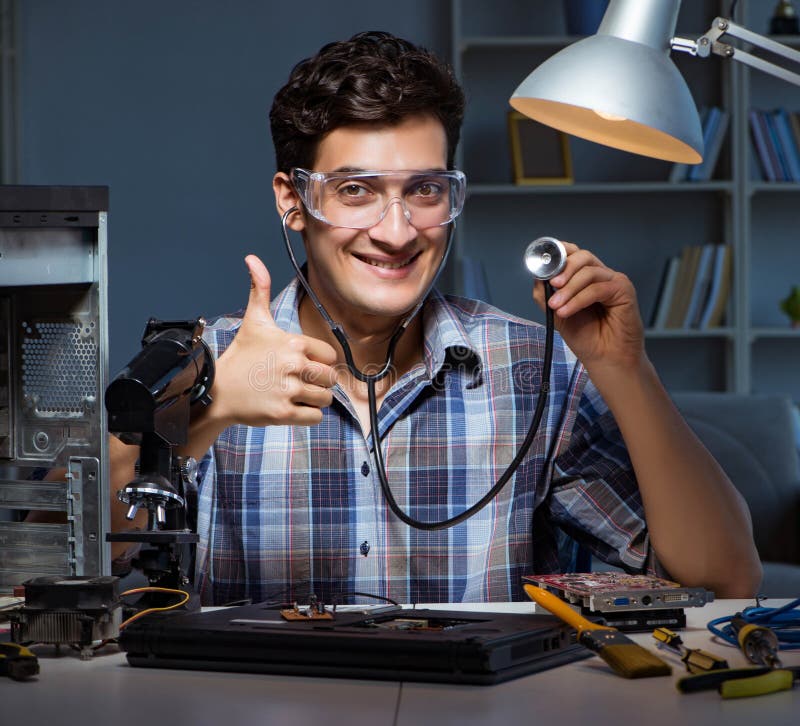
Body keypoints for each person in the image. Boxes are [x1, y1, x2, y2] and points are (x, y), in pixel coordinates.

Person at [109, 31, 761, 606]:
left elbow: (728, 579)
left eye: (424, 190)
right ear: (293, 202)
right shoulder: (206, 364)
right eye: (356, 190)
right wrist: (212, 409)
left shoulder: (534, 368)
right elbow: (72, 557)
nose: (396, 232)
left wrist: (626, 369)